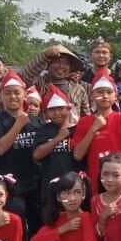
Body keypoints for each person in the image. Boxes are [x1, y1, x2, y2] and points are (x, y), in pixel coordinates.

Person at [0, 71, 42, 241]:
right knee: (15, 219)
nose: (13, 96)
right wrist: (18, 124)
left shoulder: (35, 120)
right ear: (1, 96)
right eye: (8, 93)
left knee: (38, 219)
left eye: (17, 92)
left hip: (36, 179)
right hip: (11, 182)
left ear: (24, 95)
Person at [31, 87, 80, 229]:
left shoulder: (78, 128)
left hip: (74, 185)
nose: (57, 113)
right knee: (51, 223)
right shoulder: (43, 130)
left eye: (61, 108)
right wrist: (58, 138)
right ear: (45, 113)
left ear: (68, 109)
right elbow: (37, 155)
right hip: (50, 187)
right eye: (52, 110)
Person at [20, 44, 89, 125]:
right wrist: (44, 55)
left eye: (65, 63)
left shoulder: (78, 89)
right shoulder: (39, 84)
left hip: (71, 134)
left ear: (70, 67)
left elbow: (86, 116)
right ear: (48, 65)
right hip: (42, 134)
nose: (61, 66)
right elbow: (23, 77)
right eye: (56, 62)